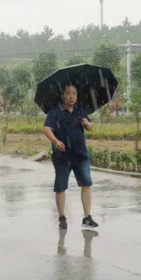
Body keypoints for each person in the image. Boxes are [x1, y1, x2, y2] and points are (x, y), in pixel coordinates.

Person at [43, 84, 99, 230]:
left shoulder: (81, 110)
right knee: (60, 187)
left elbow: (90, 127)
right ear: (63, 95)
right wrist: (55, 141)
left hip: (80, 155)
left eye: (74, 93)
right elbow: (47, 128)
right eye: (68, 93)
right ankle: (62, 217)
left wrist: (87, 124)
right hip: (62, 156)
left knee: (86, 184)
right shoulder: (55, 111)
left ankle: (87, 217)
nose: (71, 96)